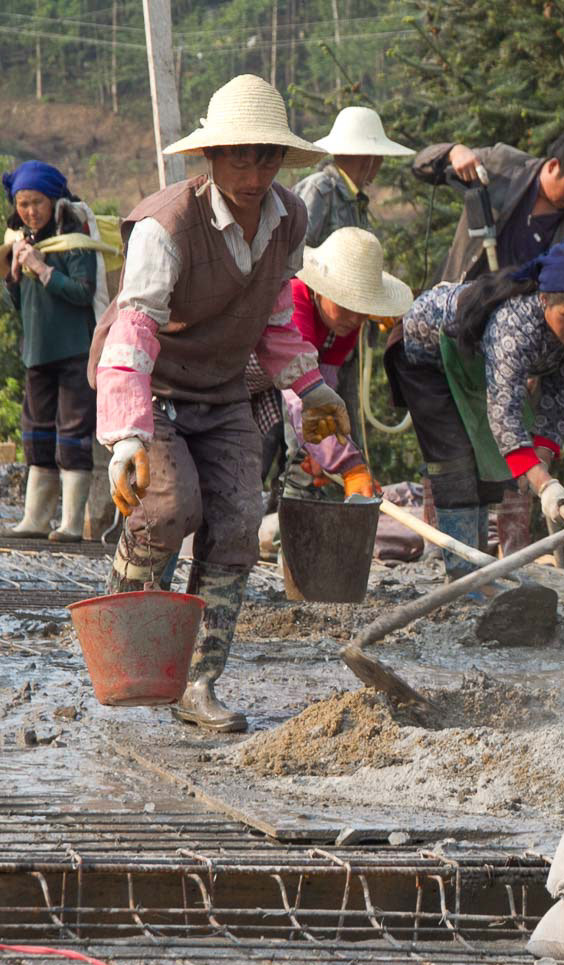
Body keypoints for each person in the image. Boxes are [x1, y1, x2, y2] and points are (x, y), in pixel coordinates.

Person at [87, 74, 350, 732]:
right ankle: (120, 644)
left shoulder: (290, 218)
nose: (254, 175)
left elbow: (274, 319)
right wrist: (127, 437)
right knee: (167, 509)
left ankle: (198, 682)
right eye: (239, 158)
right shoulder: (167, 226)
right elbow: (135, 329)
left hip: (224, 387)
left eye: (267, 158)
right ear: (209, 156)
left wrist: (311, 387)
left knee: (237, 523)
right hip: (154, 386)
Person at [389, 239, 564, 584]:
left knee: (488, 462)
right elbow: (505, 414)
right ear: (544, 299)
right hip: (425, 358)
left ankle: (480, 570)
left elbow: (558, 395)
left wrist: (542, 464)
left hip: (475, 367)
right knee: (454, 460)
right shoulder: (514, 324)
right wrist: (543, 483)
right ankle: (464, 577)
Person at [2, 161, 104, 541]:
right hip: (38, 354)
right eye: (23, 204)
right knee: (37, 435)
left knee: (73, 436)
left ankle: (71, 524)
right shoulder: (23, 242)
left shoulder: (74, 236)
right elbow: (19, 303)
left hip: (75, 352)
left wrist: (44, 270)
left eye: (37, 202)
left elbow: (83, 292)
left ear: (54, 199)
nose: (30, 211)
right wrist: (15, 274)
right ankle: (35, 519)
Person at [279, 227, 413, 502]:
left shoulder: (342, 326)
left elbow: (325, 386)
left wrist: (320, 450)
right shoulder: (294, 299)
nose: (354, 318)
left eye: (362, 308)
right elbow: (302, 392)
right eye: (346, 304)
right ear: (321, 289)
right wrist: (348, 465)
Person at [412, 129, 564, 282]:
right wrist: (454, 152)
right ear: (553, 166)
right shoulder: (501, 163)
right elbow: (421, 166)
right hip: (453, 301)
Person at [292, 106, 414, 250]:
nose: (380, 163)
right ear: (369, 159)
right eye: (380, 157)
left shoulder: (356, 199)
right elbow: (298, 249)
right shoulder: (319, 189)